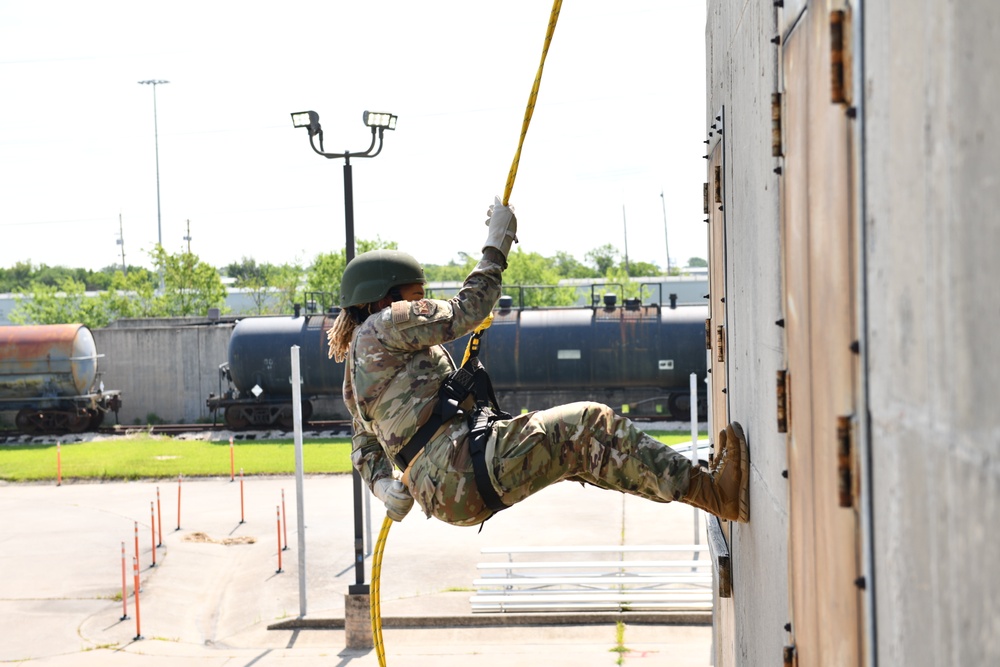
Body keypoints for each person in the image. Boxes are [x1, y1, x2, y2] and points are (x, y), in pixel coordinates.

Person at [327, 198, 749, 527]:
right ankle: (713, 491)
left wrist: (383, 486)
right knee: (590, 423)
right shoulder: (387, 323)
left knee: (585, 454)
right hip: (462, 468)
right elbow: (466, 309)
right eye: (415, 296)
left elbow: (364, 445)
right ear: (385, 298)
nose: (421, 304)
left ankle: (705, 491)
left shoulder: (355, 373)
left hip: (446, 492)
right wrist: (496, 244)